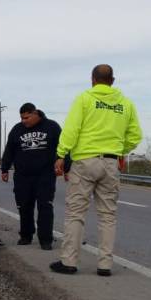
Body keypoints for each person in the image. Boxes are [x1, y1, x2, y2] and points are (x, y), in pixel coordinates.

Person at [50, 64, 142, 277]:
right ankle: (105, 265)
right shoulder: (125, 104)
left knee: (75, 213)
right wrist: (120, 150)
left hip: (85, 161)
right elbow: (135, 135)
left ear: (92, 79)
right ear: (113, 80)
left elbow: (72, 130)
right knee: (108, 215)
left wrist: (62, 154)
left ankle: (69, 262)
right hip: (110, 163)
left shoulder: (85, 99)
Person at [0, 103, 61, 248]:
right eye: (22, 118)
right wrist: (5, 169)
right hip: (23, 176)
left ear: (35, 113)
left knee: (45, 207)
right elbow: (10, 150)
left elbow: (62, 147)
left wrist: (66, 166)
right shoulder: (17, 129)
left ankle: (46, 239)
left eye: (26, 118)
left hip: (45, 175)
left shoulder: (52, 127)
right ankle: (26, 235)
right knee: (24, 206)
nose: (24, 121)